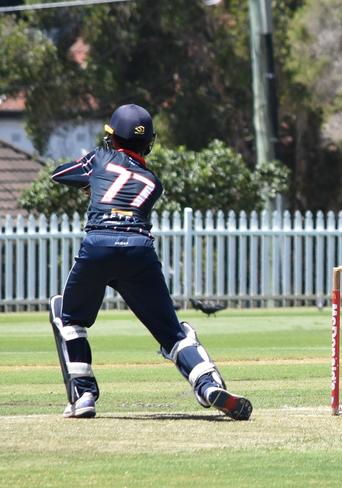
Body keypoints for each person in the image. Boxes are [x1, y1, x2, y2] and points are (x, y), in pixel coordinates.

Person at [48, 104, 252, 420]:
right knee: (173, 333)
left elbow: (60, 173)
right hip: (138, 250)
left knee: (67, 315)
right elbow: (125, 187)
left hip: (98, 245)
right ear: (149, 143)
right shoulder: (153, 182)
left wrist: (90, 177)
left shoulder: (99, 159)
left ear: (112, 138)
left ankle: (83, 395)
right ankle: (207, 383)